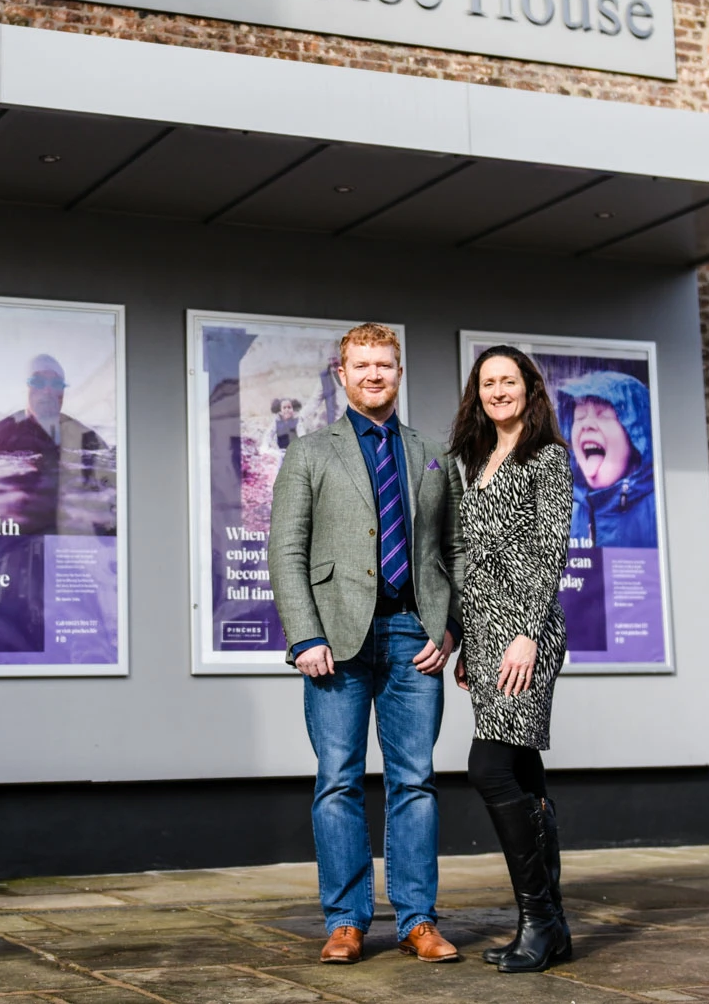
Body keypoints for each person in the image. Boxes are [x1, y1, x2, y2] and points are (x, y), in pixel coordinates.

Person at [268, 323, 464, 966]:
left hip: (414, 636)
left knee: (415, 782)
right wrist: (304, 635)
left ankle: (417, 921)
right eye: (362, 365)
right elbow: (287, 550)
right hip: (335, 641)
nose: (374, 374)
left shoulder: (431, 451)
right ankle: (347, 921)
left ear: (398, 373)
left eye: (385, 364)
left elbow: (452, 551)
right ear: (341, 374)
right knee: (338, 782)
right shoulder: (309, 452)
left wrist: (453, 629)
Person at [449, 345, 576, 974]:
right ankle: (549, 926)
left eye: (509, 380)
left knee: (490, 766)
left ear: (529, 386)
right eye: (488, 382)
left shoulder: (546, 458)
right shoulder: (474, 457)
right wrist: (471, 642)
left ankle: (541, 920)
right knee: (524, 774)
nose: (499, 390)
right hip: (486, 635)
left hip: (526, 634)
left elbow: (550, 551)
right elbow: (467, 554)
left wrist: (526, 634)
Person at [0, 354, 114, 534]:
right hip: (16, 518)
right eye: (38, 382)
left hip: (69, 519)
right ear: (25, 388)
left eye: (56, 384)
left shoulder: (88, 438)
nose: (48, 390)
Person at [557, 371, 657, 549]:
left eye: (603, 415)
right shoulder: (559, 513)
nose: (586, 424)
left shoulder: (659, 510)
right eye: (579, 417)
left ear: (635, 434)